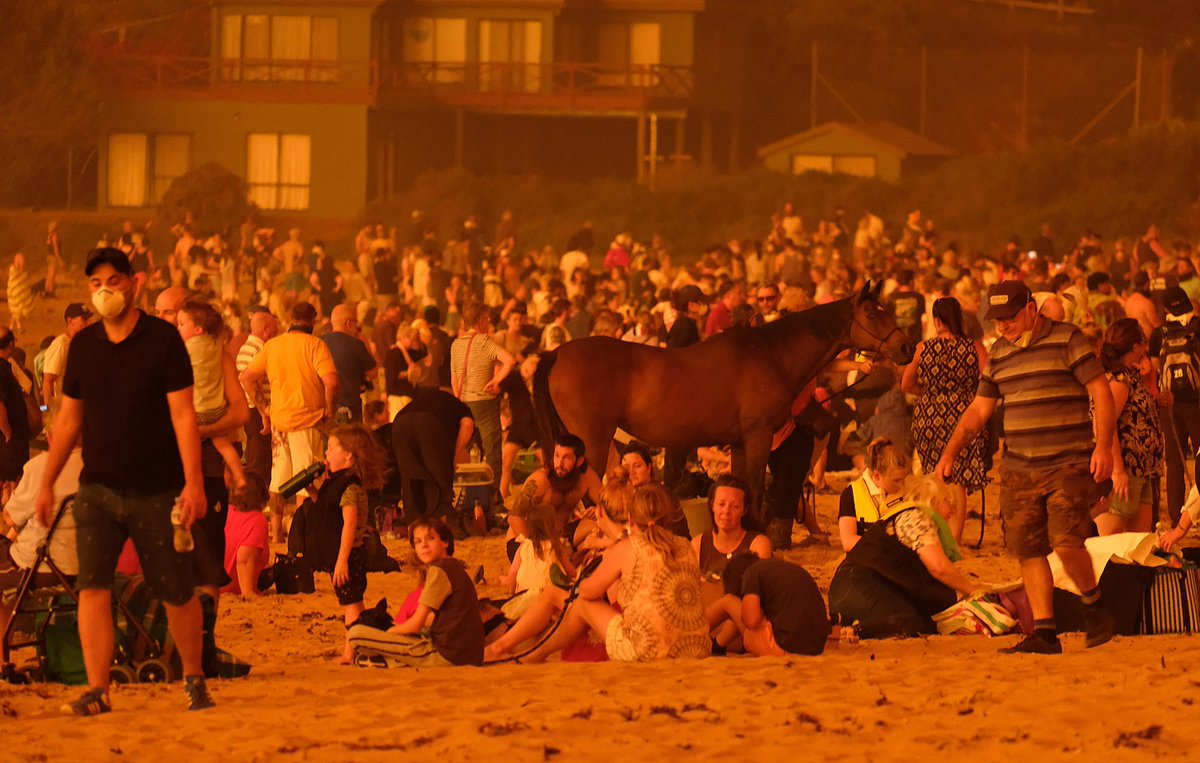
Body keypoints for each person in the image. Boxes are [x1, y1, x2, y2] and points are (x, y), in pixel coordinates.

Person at [39, 247, 213, 715]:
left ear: (135, 283)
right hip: (97, 488)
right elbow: (69, 420)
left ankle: (194, 677)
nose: (104, 291)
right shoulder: (84, 346)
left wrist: (193, 483)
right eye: (96, 284)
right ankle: (98, 690)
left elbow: (183, 416)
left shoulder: (163, 341)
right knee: (92, 588)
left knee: (175, 588)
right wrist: (46, 482)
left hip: (158, 490)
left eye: (113, 281)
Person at [936, 280, 1116, 654]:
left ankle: (1095, 605)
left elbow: (1100, 390)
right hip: (1018, 467)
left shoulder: (1068, 340)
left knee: (1066, 542)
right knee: (1028, 550)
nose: (1002, 326)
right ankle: (1045, 632)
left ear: (1031, 309)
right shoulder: (999, 354)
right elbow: (979, 411)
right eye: (996, 320)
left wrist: (1103, 447)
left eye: (1009, 317)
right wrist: (950, 451)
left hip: (1067, 460)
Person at [521, 482, 711, 663]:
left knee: (582, 604)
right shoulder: (685, 545)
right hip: (696, 646)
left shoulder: (627, 548)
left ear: (631, 519)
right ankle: (532, 651)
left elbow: (587, 593)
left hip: (648, 650)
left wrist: (586, 575)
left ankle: (538, 653)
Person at [828, 477, 984, 639]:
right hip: (855, 588)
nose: (952, 509)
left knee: (926, 624)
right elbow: (939, 567)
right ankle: (853, 632)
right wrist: (974, 591)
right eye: (947, 500)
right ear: (934, 501)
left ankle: (842, 624)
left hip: (853, 590)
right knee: (908, 621)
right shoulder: (916, 517)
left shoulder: (909, 517)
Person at [241, 301, 340, 543]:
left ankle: (276, 535)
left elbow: (247, 377)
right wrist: (329, 412)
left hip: (279, 423)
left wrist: (264, 409)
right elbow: (332, 383)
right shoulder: (315, 345)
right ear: (313, 321)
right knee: (307, 481)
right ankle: (304, 533)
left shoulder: (273, 346)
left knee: (278, 481)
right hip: (308, 421)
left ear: (289, 318)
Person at [901, 297, 989, 544]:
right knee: (957, 477)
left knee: (934, 475)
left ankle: (935, 534)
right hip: (964, 414)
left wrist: (931, 393)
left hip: (928, 417)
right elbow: (990, 381)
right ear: (958, 319)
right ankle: (955, 538)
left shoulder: (923, 349)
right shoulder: (974, 348)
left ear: (937, 320)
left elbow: (906, 384)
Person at [347, 518, 484, 667]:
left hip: (448, 655)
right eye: (418, 541)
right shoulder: (453, 567)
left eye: (430, 539)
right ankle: (386, 659)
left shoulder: (439, 570)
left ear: (445, 542)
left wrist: (389, 633)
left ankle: (389, 661)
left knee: (355, 634)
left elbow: (416, 624)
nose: (424, 545)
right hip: (468, 654)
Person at [305, 425, 386, 663]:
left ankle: (350, 652)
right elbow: (330, 509)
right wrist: (312, 491)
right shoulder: (337, 482)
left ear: (349, 455)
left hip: (350, 556)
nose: (326, 454)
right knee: (354, 603)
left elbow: (349, 524)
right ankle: (363, 642)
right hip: (345, 555)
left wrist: (342, 561)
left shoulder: (350, 486)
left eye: (331, 449)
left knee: (350, 605)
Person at [0, 406, 81, 632]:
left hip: (44, 570)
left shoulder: (39, 468)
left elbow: (10, 516)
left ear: (53, 435)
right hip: (91, 567)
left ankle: (2, 655)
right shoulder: (100, 468)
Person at [1093, 319, 1163, 535]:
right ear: (1136, 346)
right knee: (1111, 530)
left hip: (1142, 468)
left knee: (1140, 538)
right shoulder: (1118, 381)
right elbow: (1105, 424)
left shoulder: (1129, 375)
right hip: (1127, 469)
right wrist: (1118, 470)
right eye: (1143, 342)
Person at [177, 301, 246, 491]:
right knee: (224, 445)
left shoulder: (183, 351)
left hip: (195, 413)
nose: (177, 328)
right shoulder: (217, 347)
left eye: (181, 324)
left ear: (198, 329)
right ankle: (239, 475)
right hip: (216, 411)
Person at [706, 552, 830, 657]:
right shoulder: (785, 568)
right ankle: (717, 645)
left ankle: (693, 631)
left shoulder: (751, 574)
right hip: (818, 647)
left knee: (729, 601)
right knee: (741, 610)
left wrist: (744, 608)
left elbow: (752, 621)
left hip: (785, 647)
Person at [451, 302, 515, 493]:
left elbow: (454, 380)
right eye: (487, 319)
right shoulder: (485, 341)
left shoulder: (456, 344)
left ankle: (465, 491)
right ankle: (493, 498)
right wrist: (496, 381)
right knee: (492, 451)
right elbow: (510, 361)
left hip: (463, 402)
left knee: (465, 450)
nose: (488, 323)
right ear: (480, 321)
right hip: (484, 403)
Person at [1149, 285, 1200, 525]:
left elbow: (1154, 369)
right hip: (1197, 402)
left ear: (1166, 307)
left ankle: (1174, 517)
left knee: (1175, 461)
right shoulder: (1198, 326)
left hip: (1169, 404)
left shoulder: (1159, 333)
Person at [391, 387, 475, 522]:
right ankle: (447, 520)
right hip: (430, 424)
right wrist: (455, 454)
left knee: (410, 476)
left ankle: (414, 522)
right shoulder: (457, 404)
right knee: (440, 475)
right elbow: (467, 425)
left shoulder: (419, 399)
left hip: (400, 423)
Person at [497, 500, 570, 622]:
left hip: (524, 595)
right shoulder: (557, 546)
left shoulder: (523, 546)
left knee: (508, 578)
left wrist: (509, 581)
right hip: (549, 595)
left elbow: (513, 572)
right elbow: (569, 570)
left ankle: (500, 581)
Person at [515, 434, 602, 533]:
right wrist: (530, 544)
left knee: (593, 526)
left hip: (562, 535)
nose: (559, 464)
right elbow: (515, 517)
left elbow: (608, 506)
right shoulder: (541, 479)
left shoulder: (586, 477)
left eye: (566, 458)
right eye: (557, 455)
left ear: (579, 461)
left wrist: (597, 510)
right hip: (531, 537)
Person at [691, 474, 771, 580]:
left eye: (735, 506)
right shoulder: (698, 544)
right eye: (721, 504)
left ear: (744, 510)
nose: (726, 511)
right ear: (712, 505)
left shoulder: (758, 544)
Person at [838, 438, 911, 552]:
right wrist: (885, 548)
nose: (902, 484)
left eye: (904, 479)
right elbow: (848, 541)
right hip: (865, 558)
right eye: (896, 480)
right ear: (877, 476)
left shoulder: (908, 490)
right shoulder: (851, 493)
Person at [235, 307, 278, 487]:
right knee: (260, 457)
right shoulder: (260, 350)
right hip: (257, 411)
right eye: (275, 327)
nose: (277, 331)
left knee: (256, 452)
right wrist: (264, 413)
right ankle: (257, 495)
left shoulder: (246, 347)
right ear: (266, 329)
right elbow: (252, 383)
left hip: (250, 409)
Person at [321, 304, 376, 423]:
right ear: (348, 323)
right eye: (355, 322)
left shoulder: (319, 343)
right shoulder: (356, 344)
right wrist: (364, 342)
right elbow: (373, 373)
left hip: (323, 407)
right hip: (350, 406)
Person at [222, 473, 270, 597]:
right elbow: (244, 559)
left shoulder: (226, 512)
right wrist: (248, 593)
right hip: (226, 588)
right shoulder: (257, 521)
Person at [498, 354, 539, 499]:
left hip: (533, 427)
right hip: (518, 425)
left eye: (531, 371)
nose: (527, 374)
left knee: (544, 460)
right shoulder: (515, 379)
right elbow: (500, 392)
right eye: (527, 370)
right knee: (506, 460)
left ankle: (548, 491)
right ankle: (503, 495)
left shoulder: (538, 385)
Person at [42, 303, 93, 411]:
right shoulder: (61, 344)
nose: (89, 323)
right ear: (70, 321)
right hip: (64, 409)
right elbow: (48, 381)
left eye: (89, 319)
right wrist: (48, 411)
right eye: (84, 319)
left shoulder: (80, 344)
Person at [7, 253, 33, 336]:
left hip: (18, 294)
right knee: (16, 312)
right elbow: (14, 281)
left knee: (15, 313)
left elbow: (23, 279)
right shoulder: (13, 269)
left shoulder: (21, 271)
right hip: (13, 294)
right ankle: (15, 329)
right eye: (20, 259)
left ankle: (15, 328)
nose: (22, 262)